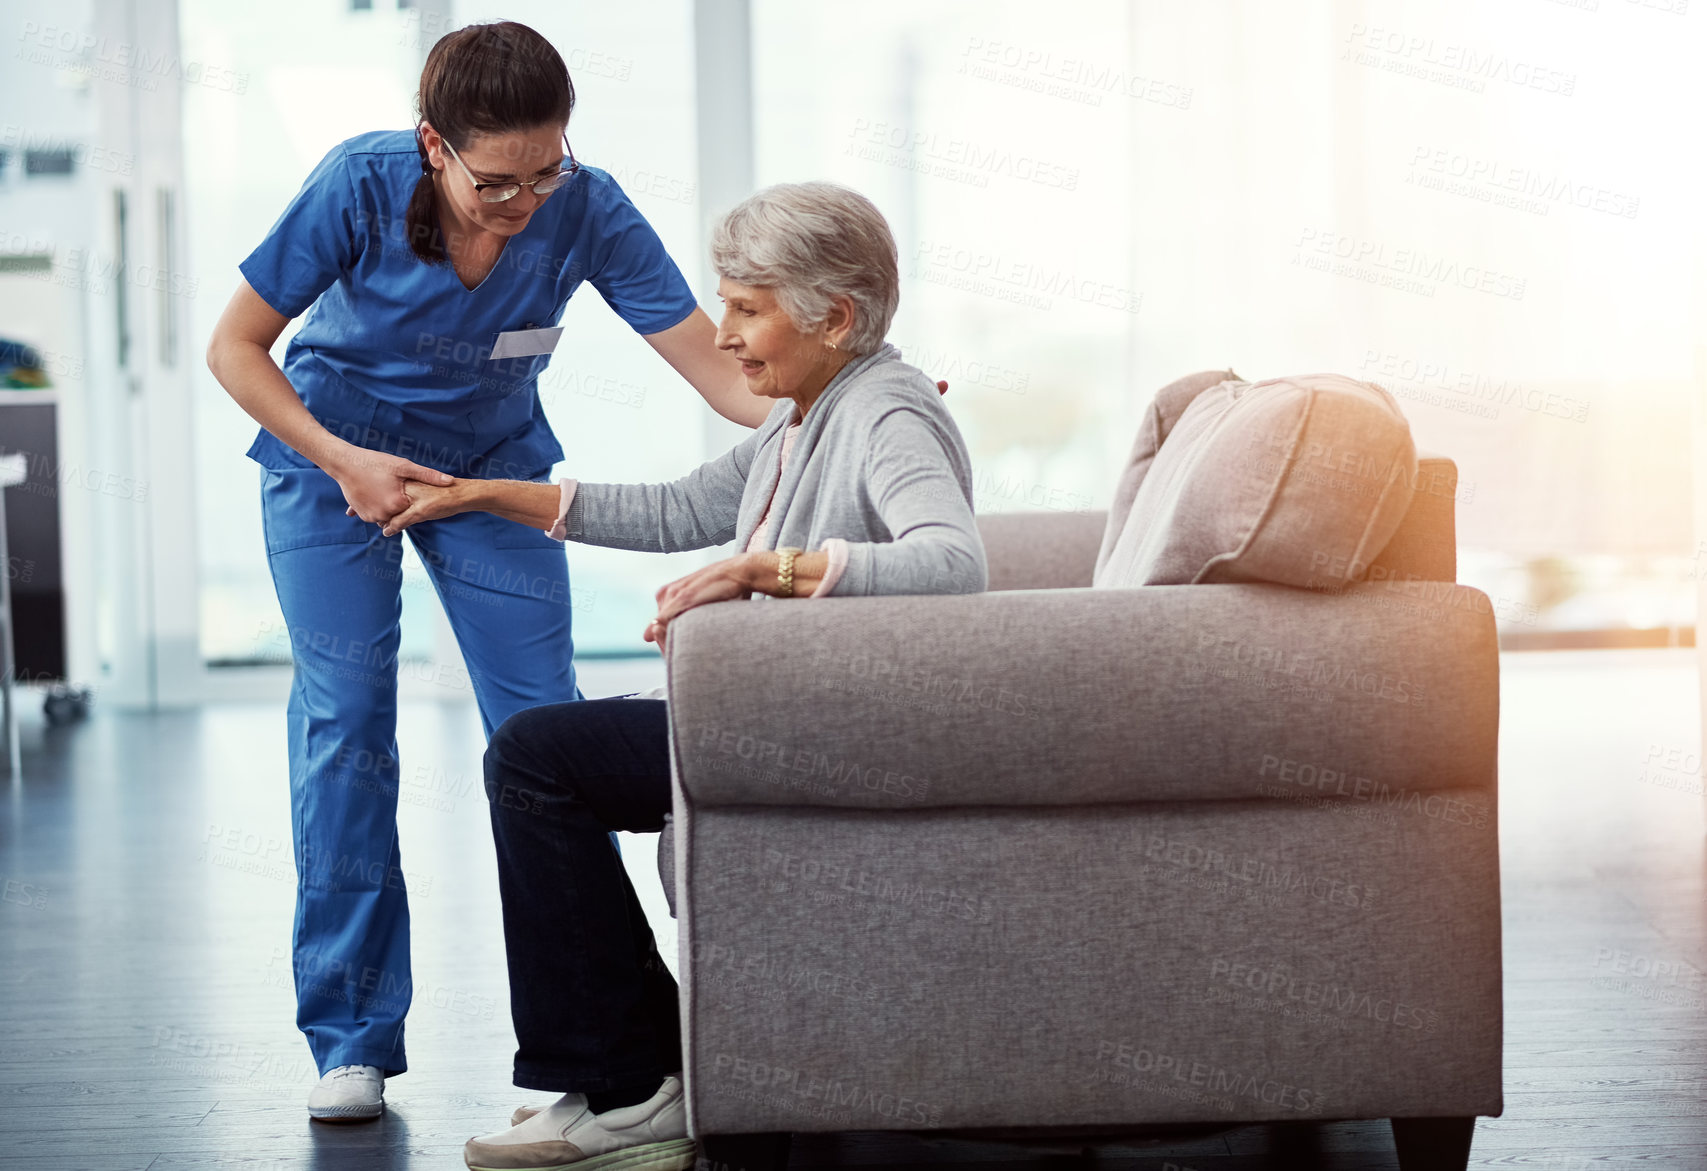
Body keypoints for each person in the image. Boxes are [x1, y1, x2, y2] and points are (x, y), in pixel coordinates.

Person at [204, 21, 772, 1122]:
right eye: (496, 181)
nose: (523, 202)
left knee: (547, 734)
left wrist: (847, 395)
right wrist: (339, 458)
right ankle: (351, 1034)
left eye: (546, 169)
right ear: (432, 147)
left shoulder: (586, 204)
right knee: (348, 728)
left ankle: (613, 1040)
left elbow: (719, 369)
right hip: (334, 459)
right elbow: (237, 346)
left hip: (494, 467)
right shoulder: (357, 186)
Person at [383, 181, 985, 1171]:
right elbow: (673, 509)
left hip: (824, 732)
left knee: (538, 758)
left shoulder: (885, 412)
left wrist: (763, 571)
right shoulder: (805, 414)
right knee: (543, 756)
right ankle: (634, 1072)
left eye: (749, 308)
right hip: (774, 713)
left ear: (833, 317)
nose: (727, 333)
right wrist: (486, 495)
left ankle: (633, 1082)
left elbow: (954, 563)